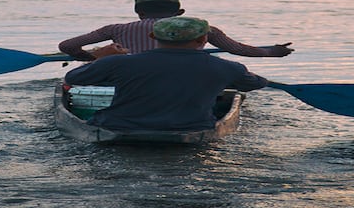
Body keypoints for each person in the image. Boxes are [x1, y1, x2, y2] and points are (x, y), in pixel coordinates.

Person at [63, 16, 269, 132]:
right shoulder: (228, 68)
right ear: (202, 40)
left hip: (118, 126)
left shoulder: (118, 62)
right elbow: (254, 84)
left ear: (153, 36)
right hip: (193, 127)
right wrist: (260, 79)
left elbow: (73, 78)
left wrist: (101, 55)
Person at [58, 0, 294, 61]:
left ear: (138, 13)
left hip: (127, 79)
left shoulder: (115, 29)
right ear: (180, 13)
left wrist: (88, 58)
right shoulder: (203, 29)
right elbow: (239, 50)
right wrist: (273, 52)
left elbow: (67, 45)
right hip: (189, 77)